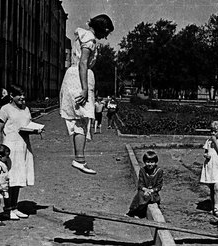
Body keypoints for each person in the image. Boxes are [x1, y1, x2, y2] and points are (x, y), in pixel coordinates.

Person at [59, 14, 114, 175]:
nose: (105, 36)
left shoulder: (83, 36)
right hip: (79, 78)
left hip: (74, 76)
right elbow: (83, 62)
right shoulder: (89, 40)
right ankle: (79, 159)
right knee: (82, 120)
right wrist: (84, 88)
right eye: (106, 32)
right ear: (101, 28)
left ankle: (79, 158)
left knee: (78, 121)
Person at [0, 84, 39, 220]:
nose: (22, 97)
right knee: (9, 180)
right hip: (10, 147)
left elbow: (28, 125)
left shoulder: (26, 109)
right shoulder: (5, 109)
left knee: (18, 179)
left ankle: (14, 207)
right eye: (19, 95)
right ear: (11, 96)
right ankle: (7, 209)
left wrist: (36, 130)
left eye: (23, 94)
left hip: (23, 147)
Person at [201, 121, 218, 218]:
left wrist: (215, 141)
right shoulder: (208, 141)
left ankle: (217, 208)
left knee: (217, 188)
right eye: (212, 131)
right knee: (212, 188)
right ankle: (213, 206)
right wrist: (206, 155)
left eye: (215, 131)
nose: (213, 133)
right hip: (211, 167)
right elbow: (206, 152)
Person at [126, 150, 163, 218]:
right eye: (148, 162)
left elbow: (159, 186)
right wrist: (145, 189)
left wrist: (151, 190)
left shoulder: (159, 171)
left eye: (152, 162)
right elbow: (140, 184)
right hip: (144, 191)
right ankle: (132, 211)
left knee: (147, 197)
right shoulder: (142, 170)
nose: (150, 164)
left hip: (153, 193)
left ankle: (139, 213)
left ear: (155, 162)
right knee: (140, 195)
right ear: (145, 162)